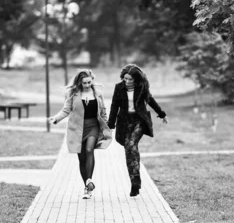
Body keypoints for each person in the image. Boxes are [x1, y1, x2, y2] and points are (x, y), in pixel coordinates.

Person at [49, 69, 112, 199]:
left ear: (92, 80)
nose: (87, 85)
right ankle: (87, 188)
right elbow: (66, 110)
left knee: (90, 149)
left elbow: (103, 111)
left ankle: (89, 180)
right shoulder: (73, 94)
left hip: (93, 126)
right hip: (77, 128)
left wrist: (106, 125)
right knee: (82, 159)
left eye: (89, 82)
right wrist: (56, 118)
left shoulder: (98, 93)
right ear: (79, 82)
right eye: (84, 83)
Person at [107, 64, 168, 197]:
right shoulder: (119, 87)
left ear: (136, 80)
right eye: (125, 79)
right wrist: (110, 125)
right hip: (124, 122)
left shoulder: (142, 87)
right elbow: (114, 106)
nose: (127, 82)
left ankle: (136, 180)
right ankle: (134, 182)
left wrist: (162, 114)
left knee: (131, 145)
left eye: (130, 79)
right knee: (129, 149)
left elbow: (150, 100)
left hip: (139, 121)